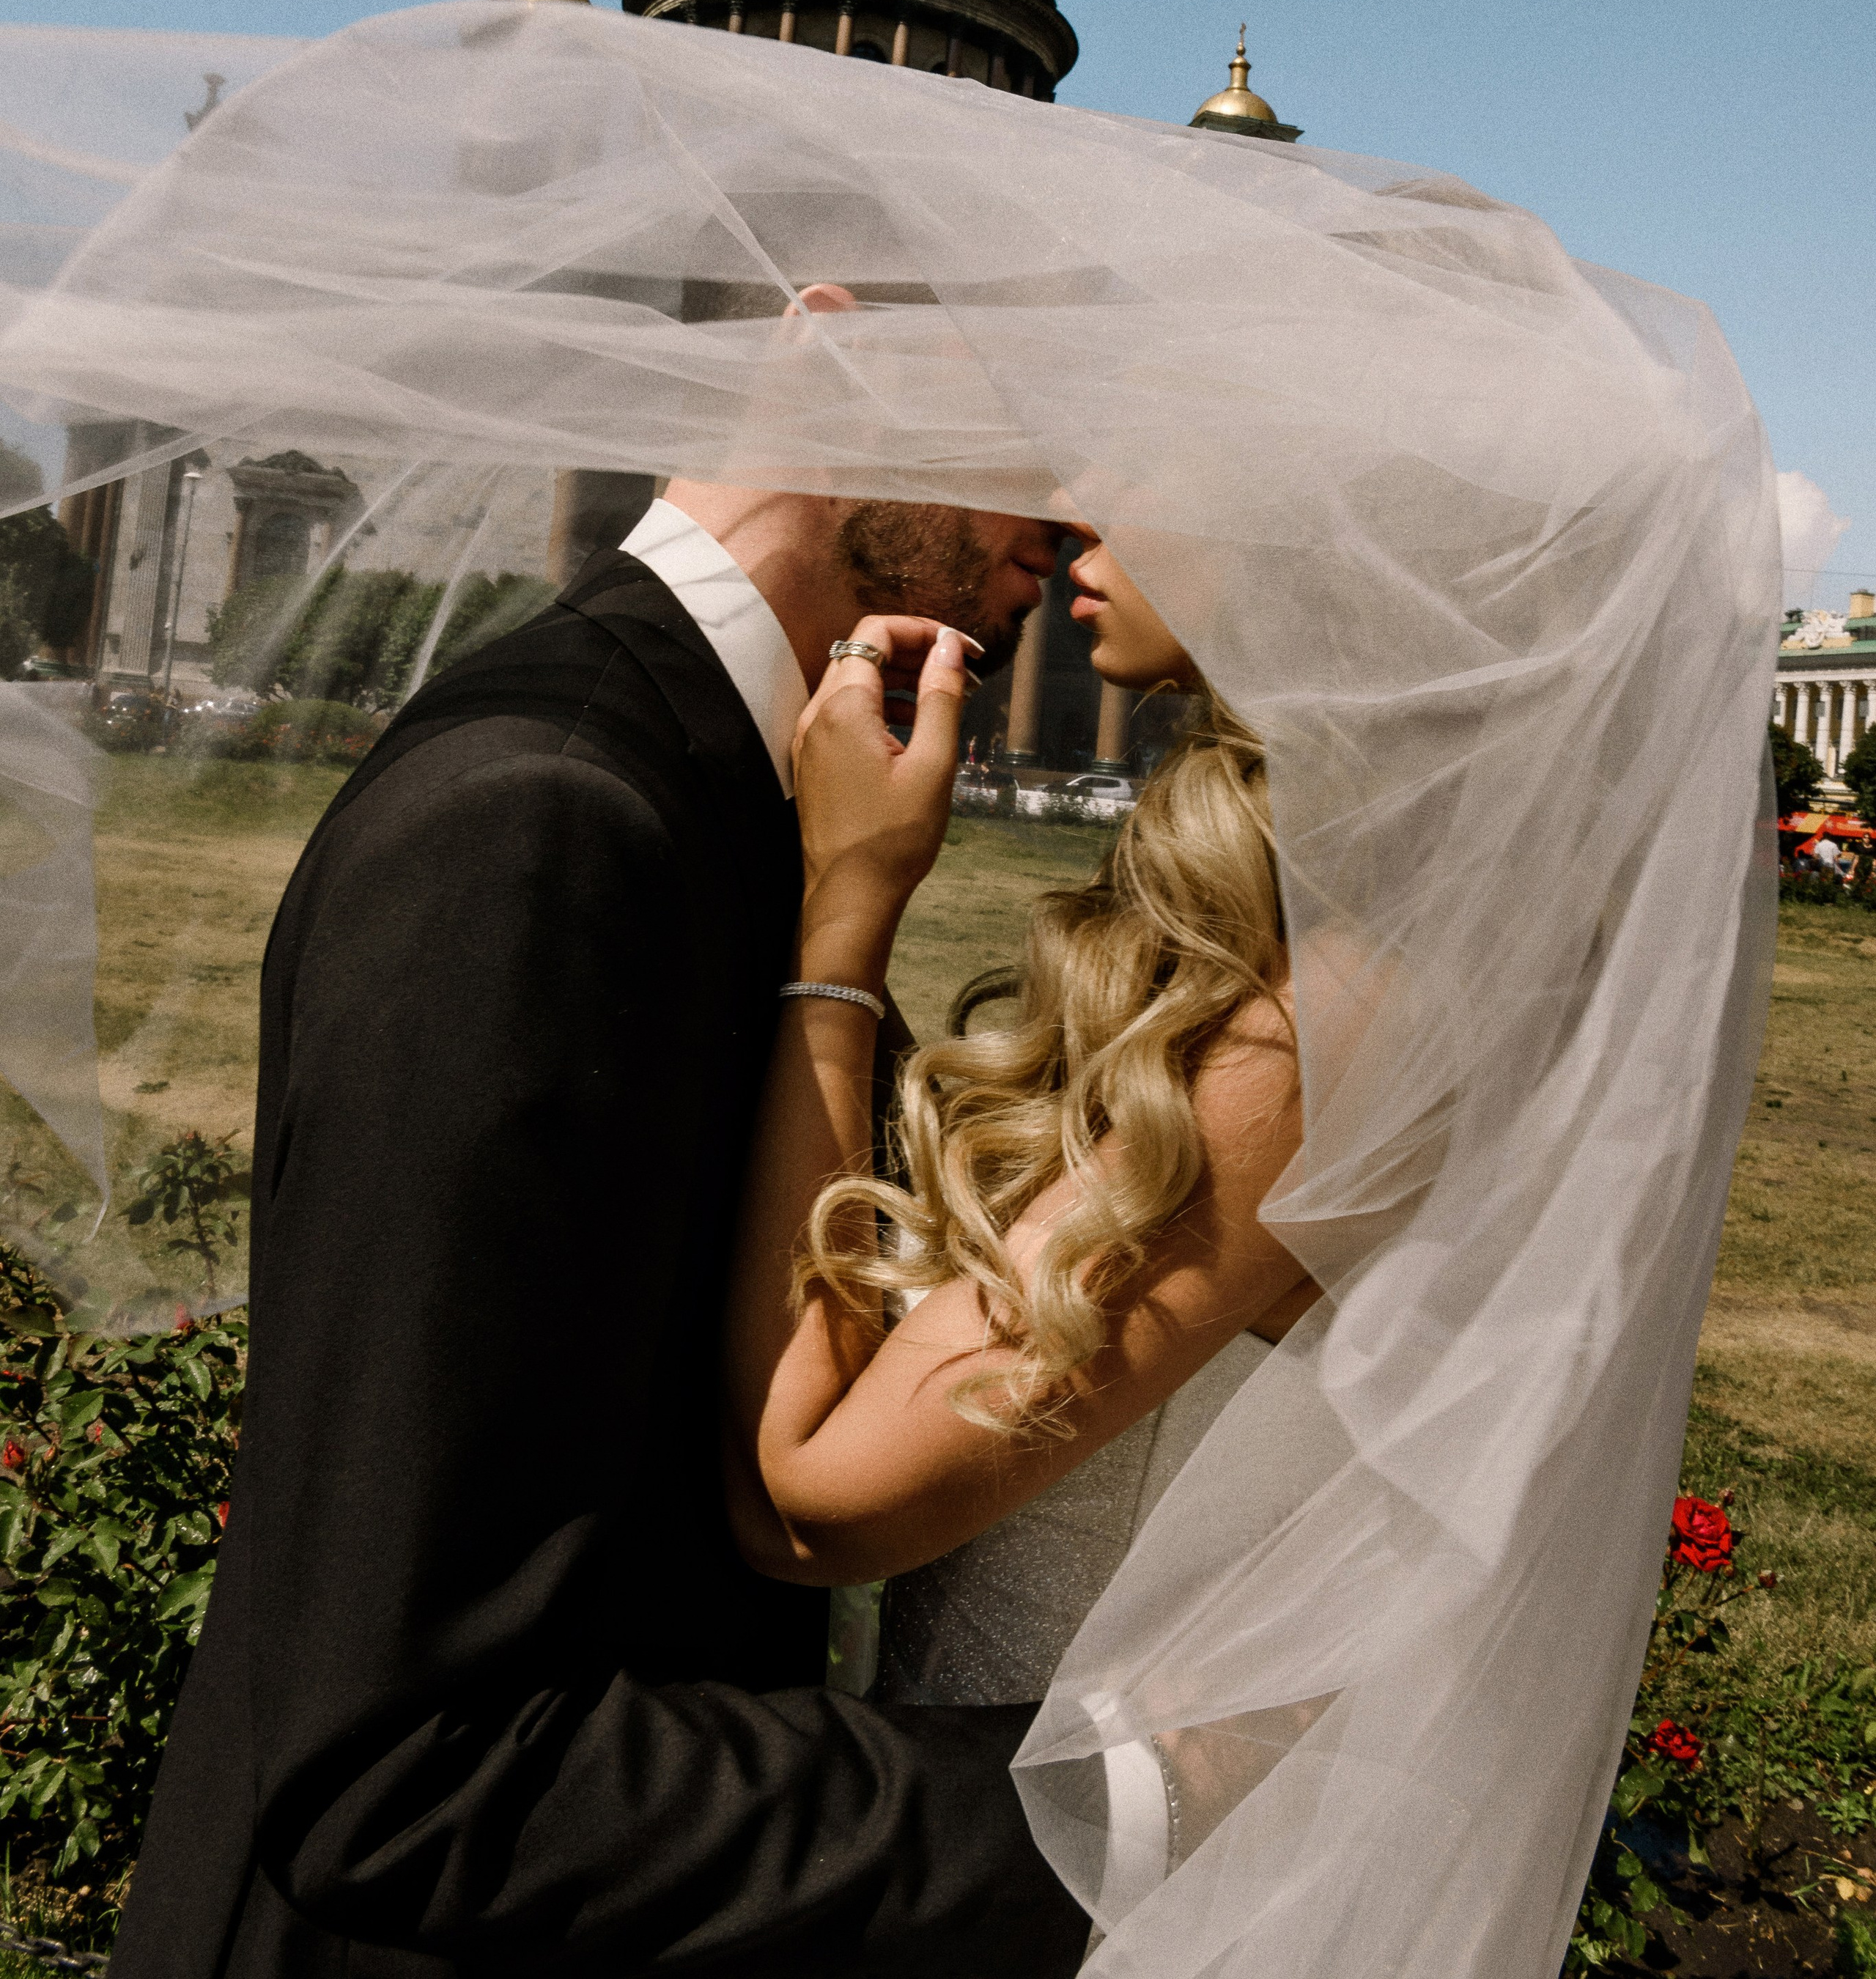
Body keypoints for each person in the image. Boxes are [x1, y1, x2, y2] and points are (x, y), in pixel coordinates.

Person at [110, 466, 1085, 1979]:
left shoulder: (728, 781)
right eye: (1026, 428)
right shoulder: (539, 816)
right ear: (834, 336)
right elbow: (412, 1772)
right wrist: (1111, 1811)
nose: (1063, 519)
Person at [724, 528, 1321, 1717]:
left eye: (1144, 459)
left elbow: (808, 1505)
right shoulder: (1320, 933)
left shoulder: (1312, 1033)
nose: (1067, 512)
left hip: (1067, 1838)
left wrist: (845, 917)